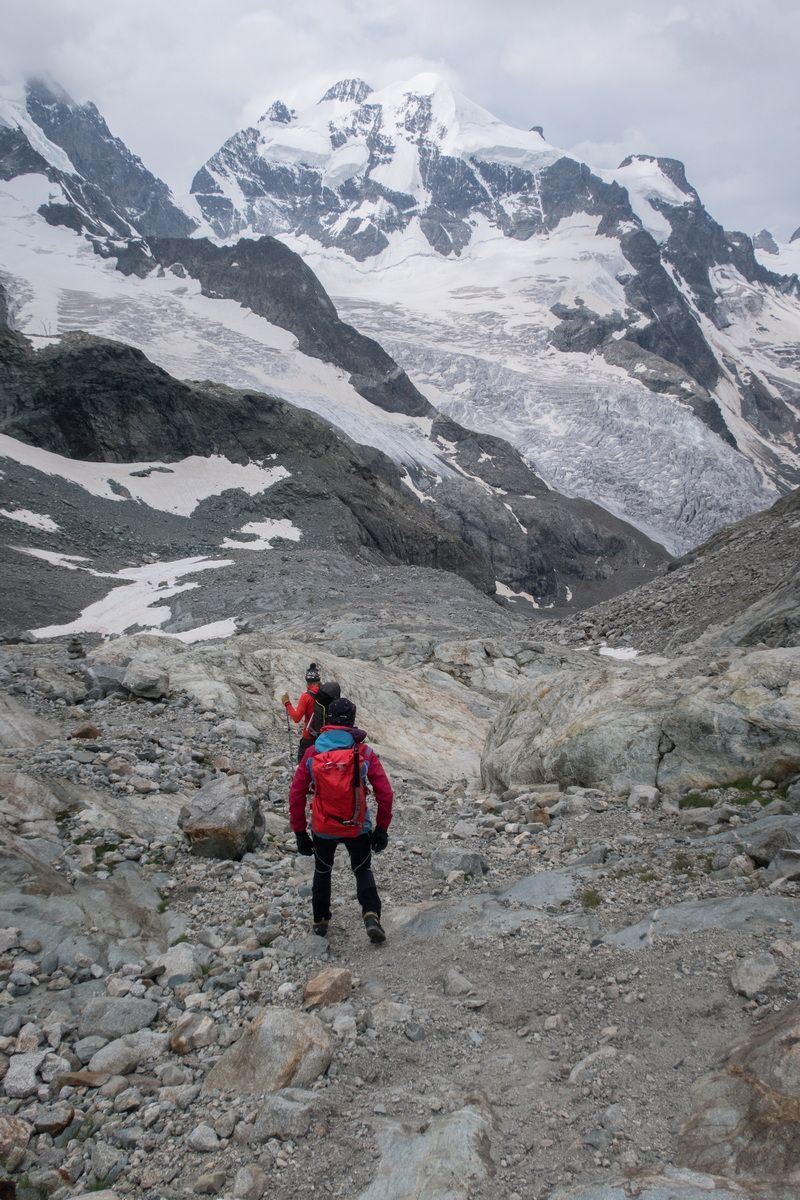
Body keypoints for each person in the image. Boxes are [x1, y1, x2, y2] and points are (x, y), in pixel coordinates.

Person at [288, 696, 393, 944]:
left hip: (323, 827)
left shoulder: (313, 753)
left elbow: (296, 793)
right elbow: (385, 793)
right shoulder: (364, 752)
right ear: (353, 721)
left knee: (323, 870)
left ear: (328, 720)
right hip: (357, 825)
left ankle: (321, 921)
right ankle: (370, 916)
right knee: (362, 869)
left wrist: (300, 832)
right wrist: (382, 828)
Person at [282, 663, 322, 762]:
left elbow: (296, 718)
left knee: (302, 763)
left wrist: (287, 703)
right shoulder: (326, 694)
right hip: (325, 736)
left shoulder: (306, 696)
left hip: (309, 736)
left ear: (308, 682)